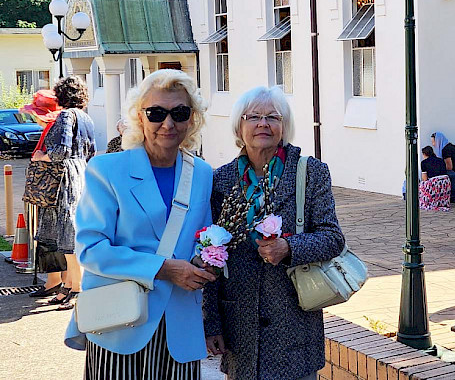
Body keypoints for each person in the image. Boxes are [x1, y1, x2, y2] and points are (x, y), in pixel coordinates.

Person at [65, 69, 217, 378]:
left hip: (180, 325)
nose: (168, 123)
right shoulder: (107, 169)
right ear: (140, 116)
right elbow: (92, 250)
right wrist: (164, 268)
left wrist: (206, 261)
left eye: (180, 112)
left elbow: (206, 238)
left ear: (193, 119)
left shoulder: (201, 173)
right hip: (120, 322)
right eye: (156, 113)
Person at [204, 86, 345, 380]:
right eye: (253, 116)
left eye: (272, 117)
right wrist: (212, 323)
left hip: (294, 322)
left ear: (284, 125)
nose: (263, 124)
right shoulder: (221, 179)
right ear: (239, 126)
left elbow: (332, 237)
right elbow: (212, 256)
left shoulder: (309, 172)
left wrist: (289, 248)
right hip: (240, 328)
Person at [33, 76, 95, 310]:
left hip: (64, 177)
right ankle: (69, 285)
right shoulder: (86, 117)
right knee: (72, 229)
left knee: (66, 231)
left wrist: (42, 157)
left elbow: (60, 151)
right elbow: (91, 150)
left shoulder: (66, 116)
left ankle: (76, 287)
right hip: (81, 173)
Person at [20, 89, 65, 299]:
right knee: (51, 237)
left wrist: (40, 157)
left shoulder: (53, 129)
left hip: (51, 194)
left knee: (50, 238)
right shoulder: (53, 128)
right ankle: (56, 281)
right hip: (51, 193)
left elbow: (56, 156)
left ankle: (55, 282)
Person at [419, 146, 451, 211]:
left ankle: (429, 201)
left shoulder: (424, 162)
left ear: (424, 154)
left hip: (435, 183)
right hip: (445, 182)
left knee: (422, 185)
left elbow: (424, 178)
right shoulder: (441, 160)